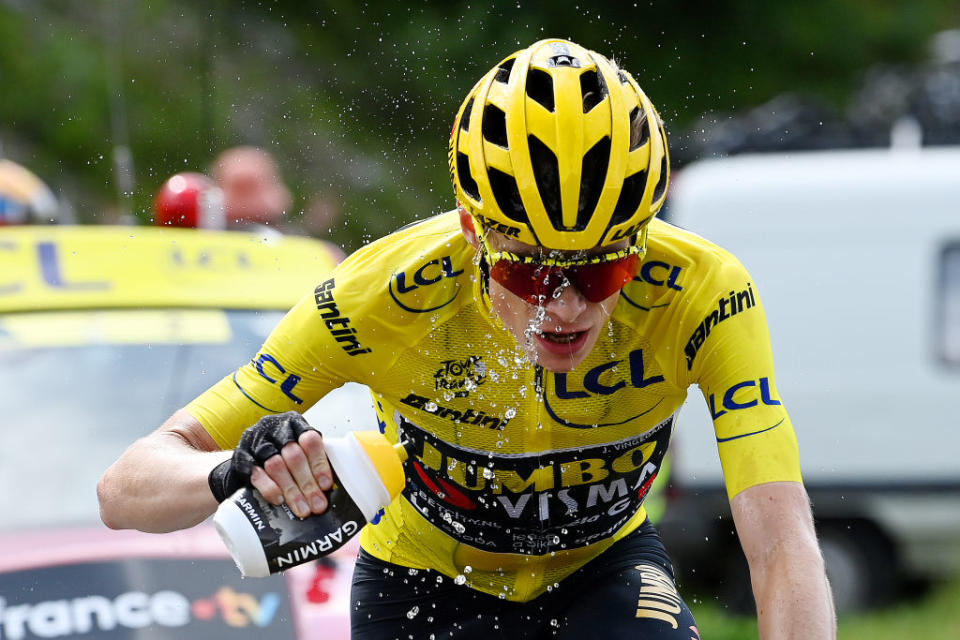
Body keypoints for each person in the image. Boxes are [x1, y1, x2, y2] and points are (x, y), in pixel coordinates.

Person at [98, 39, 836, 639]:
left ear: (641, 242)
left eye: (604, 270)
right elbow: (123, 491)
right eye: (528, 273)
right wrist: (233, 471)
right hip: (424, 588)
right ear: (474, 233)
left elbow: (779, 542)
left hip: (605, 572)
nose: (567, 306)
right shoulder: (381, 296)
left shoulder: (704, 290)